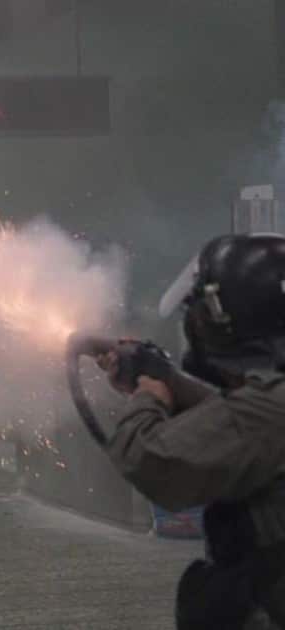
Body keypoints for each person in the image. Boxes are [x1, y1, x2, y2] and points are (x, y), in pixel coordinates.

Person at [99, 233, 285, 629]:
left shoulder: (267, 411)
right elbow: (234, 417)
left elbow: (150, 460)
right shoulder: (270, 402)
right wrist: (165, 379)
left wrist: (150, 396)